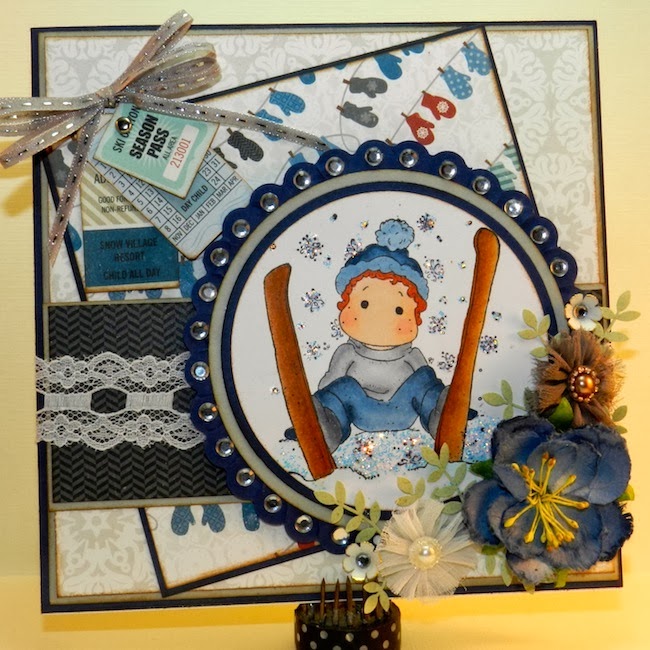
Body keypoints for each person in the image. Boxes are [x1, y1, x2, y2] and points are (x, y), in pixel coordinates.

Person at [309, 218, 448, 451]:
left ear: (415, 317)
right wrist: (322, 402)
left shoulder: (411, 355)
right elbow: (331, 383)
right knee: (344, 387)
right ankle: (328, 426)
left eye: (399, 310)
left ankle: (441, 417)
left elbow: (427, 387)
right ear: (345, 306)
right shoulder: (347, 353)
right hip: (361, 410)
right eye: (364, 304)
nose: (380, 319)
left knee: (424, 378)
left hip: (404, 409)